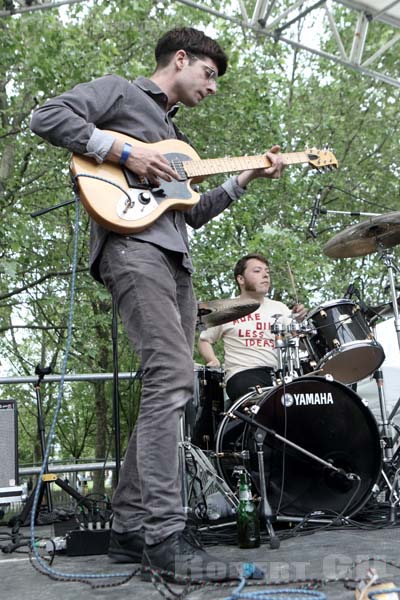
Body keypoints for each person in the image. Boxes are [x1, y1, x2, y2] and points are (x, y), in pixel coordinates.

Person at [30, 27, 286, 582]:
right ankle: (166, 538)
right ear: (180, 59)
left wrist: (244, 177)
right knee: (172, 374)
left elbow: (190, 212)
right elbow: (47, 116)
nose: (212, 88)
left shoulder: (176, 138)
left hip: (175, 260)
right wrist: (125, 150)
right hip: (131, 251)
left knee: (176, 383)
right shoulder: (120, 94)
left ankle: (127, 531)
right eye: (209, 75)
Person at [198, 253, 307, 401]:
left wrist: (298, 325)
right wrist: (212, 359)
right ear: (240, 279)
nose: (265, 275)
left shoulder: (280, 308)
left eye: (267, 272)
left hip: (277, 374)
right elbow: (204, 340)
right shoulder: (226, 308)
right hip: (242, 374)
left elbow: (299, 344)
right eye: (257, 271)